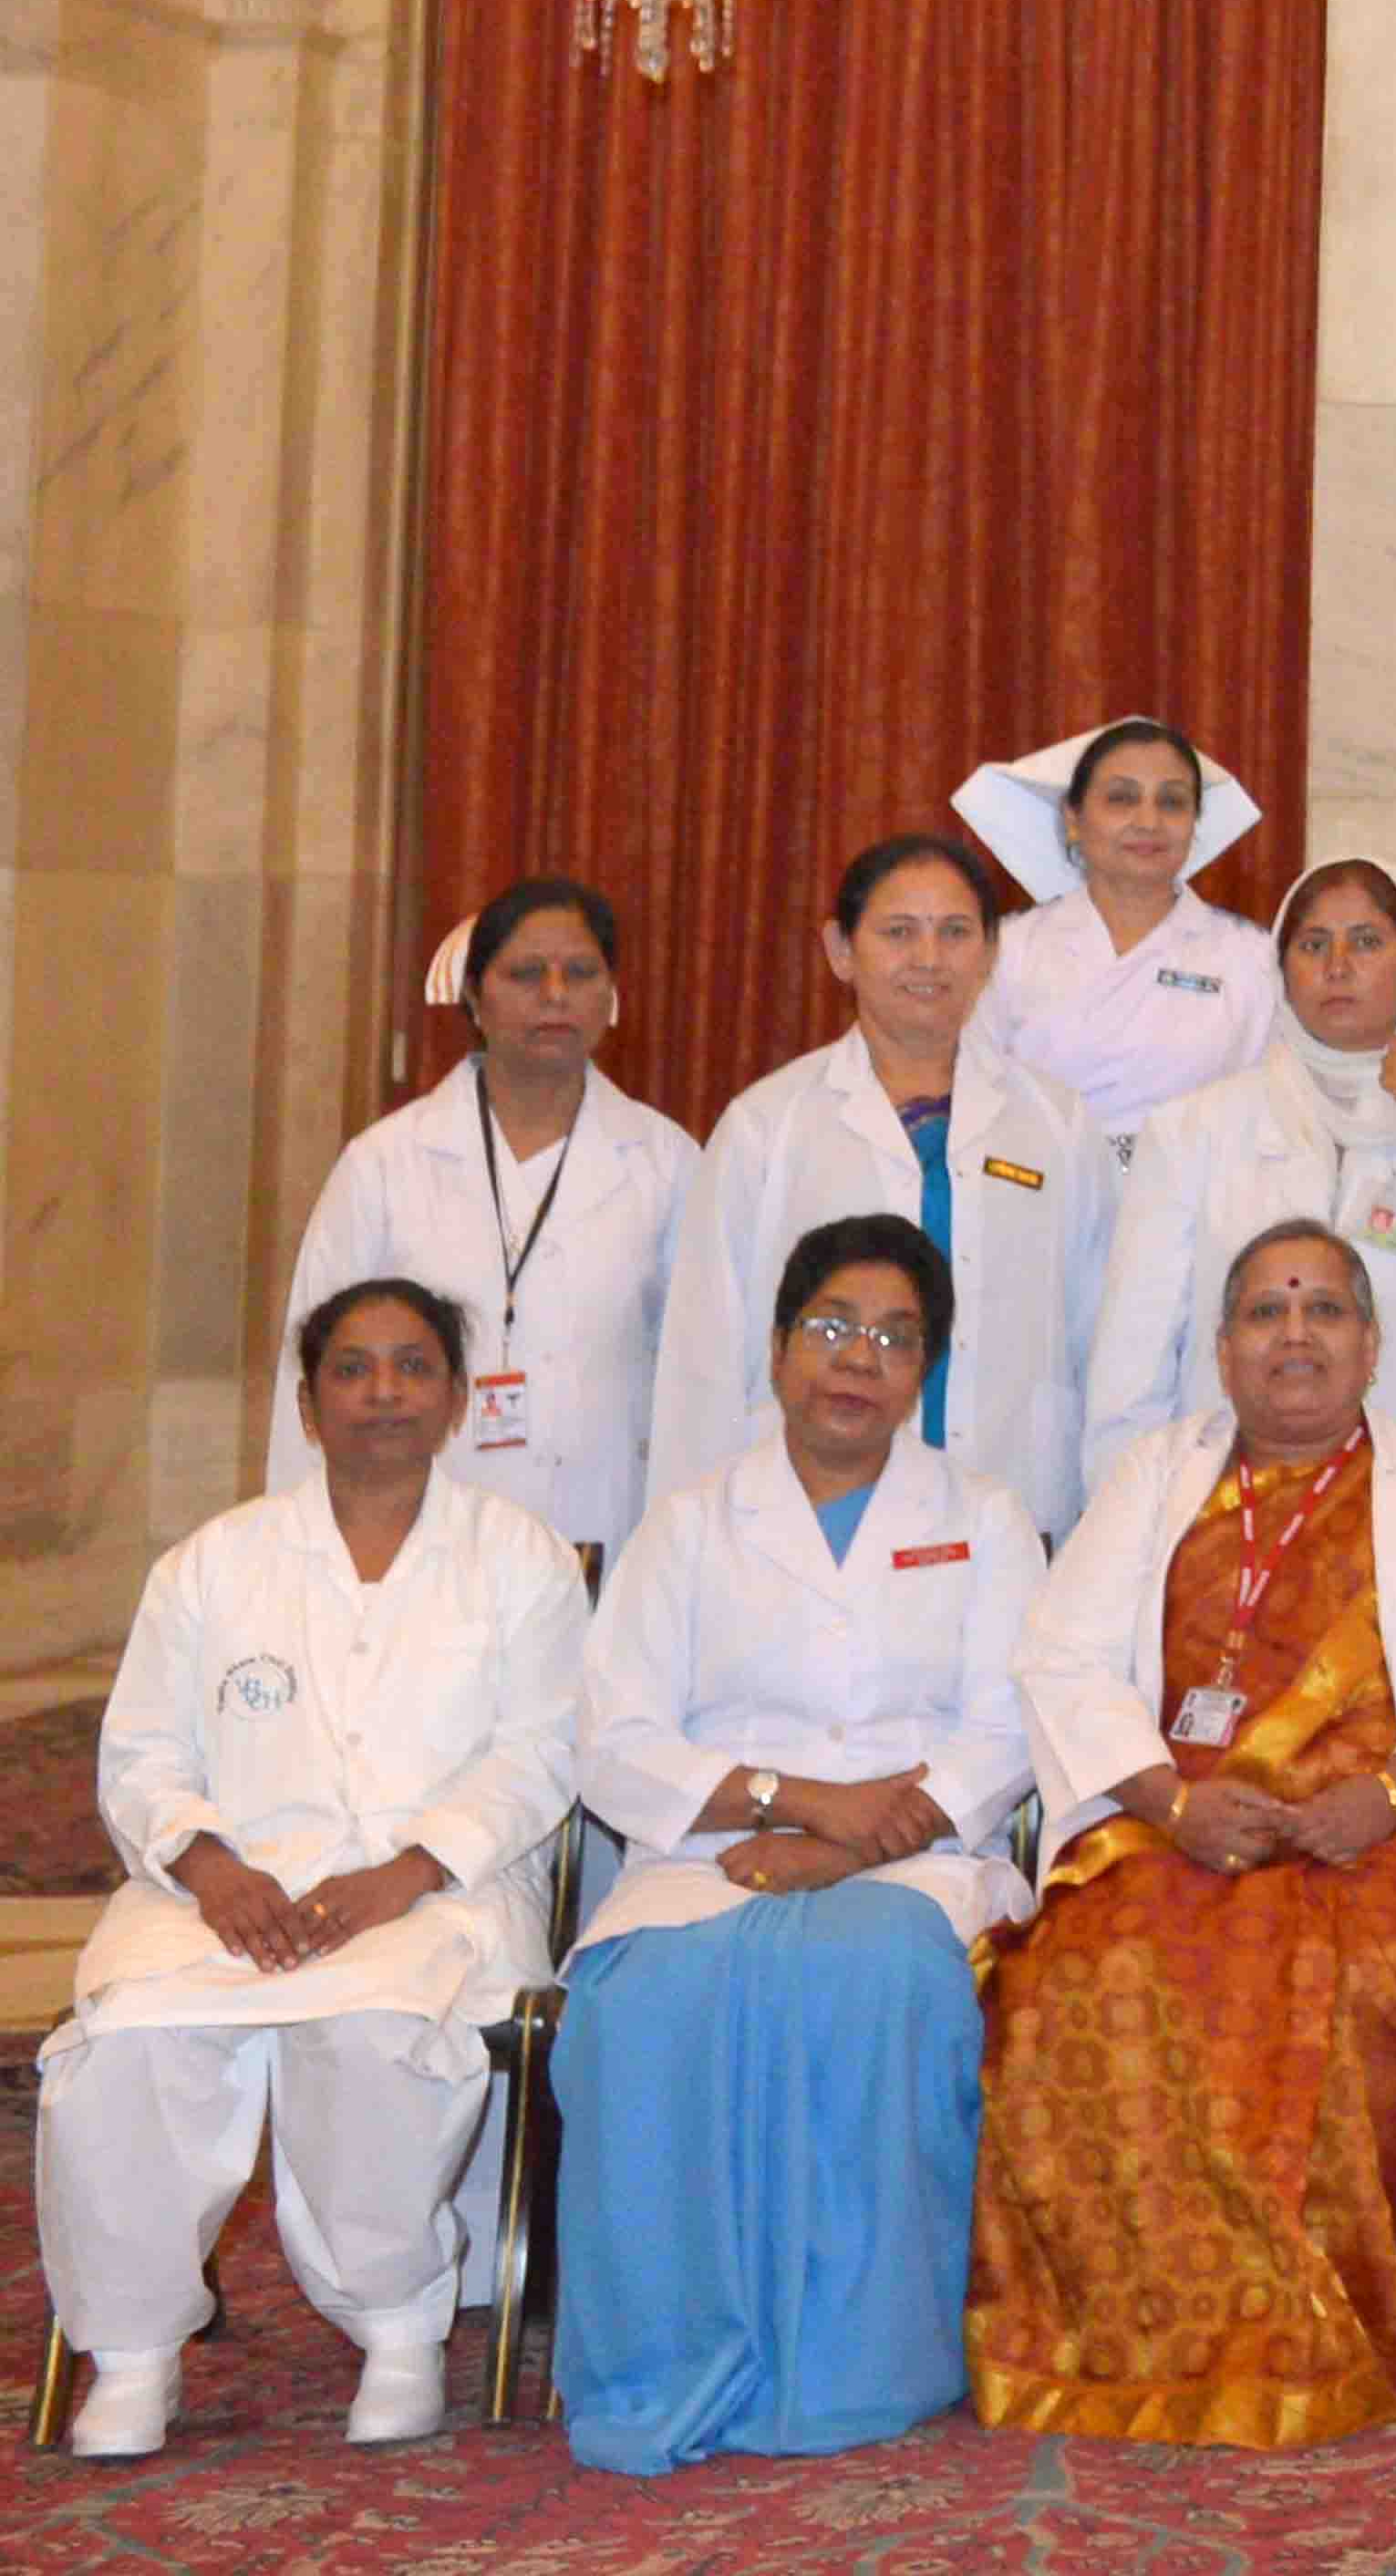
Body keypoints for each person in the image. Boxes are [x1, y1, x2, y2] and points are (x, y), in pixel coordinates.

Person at [972, 1221, 1396, 2446]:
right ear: (1222, 1352)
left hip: (1383, 1833)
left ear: (1373, 1345)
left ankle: (1333, 2326)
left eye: (1324, 1310)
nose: (1296, 1335)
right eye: (1267, 1314)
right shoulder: (1153, 1476)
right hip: (1174, 1827)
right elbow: (1059, 1656)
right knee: (1082, 1970)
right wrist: (1169, 1803)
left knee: (1364, 1972)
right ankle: (1139, 2339)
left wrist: (1385, 1800)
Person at [40, 1278, 587, 2459]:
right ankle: (133, 2353)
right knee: (125, 2033)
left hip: (437, 1889)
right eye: (352, 1368)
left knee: (376, 2023)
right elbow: (138, 1751)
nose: (382, 1392)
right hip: (228, 1889)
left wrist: (410, 1870)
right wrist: (208, 1865)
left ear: (453, 1398)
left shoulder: (521, 1560)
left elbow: (542, 1752)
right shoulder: (212, 1563)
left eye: (410, 1367)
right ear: (307, 1399)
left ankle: (397, 2330)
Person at [559, 1215, 1039, 2472]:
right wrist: (790, 1800)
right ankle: (662, 2355)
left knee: (872, 1977)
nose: (858, 1358)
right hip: (710, 1845)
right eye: (831, 1326)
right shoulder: (690, 1522)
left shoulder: (984, 1517)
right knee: (639, 2004)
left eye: (895, 1337)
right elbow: (612, 1738)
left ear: (923, 1369)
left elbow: (1009, 1727)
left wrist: (853, 1844)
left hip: (916, 1856)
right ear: (776, 1352)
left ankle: (856, 2364)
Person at [654, 833, 1102, 1536]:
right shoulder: (767, 1126)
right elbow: (702, 1360)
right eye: (899, 932)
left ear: (989, 955)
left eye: (955, 933)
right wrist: (687, 1540)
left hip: (1011, 1504)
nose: (928, 959)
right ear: (840, 950)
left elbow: (1094, 1336)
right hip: (805, 1515)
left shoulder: (1058, 1125)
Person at [1084, 857, 1396, 1455]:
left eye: (1367, 942)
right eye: (1314, 944)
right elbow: (1132, 1359)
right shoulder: (1195, 1129)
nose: (1338, 966)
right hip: (1236, 1501)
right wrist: (1138, 1515)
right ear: (1281, 972)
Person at [274, 874, 699, 1561]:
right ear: (475, 995)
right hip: (418, 1528)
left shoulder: (667, 1162)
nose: (555, 995)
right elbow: (316, 1361)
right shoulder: (386, 1162)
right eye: (526, 973)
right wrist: (301, 1553)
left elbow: (697, 1373)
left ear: (610, 995)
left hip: (601, 1528)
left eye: (581, 973)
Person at [965, 718, 1280, 1165]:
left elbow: (1276, 1114)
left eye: (1172, 802)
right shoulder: (1008, 951)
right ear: (1072, 819)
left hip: (1198, 1218)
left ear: (1195, 824)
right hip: (1038, 1206)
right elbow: (970, 1101)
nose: (1148, 821)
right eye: (1122, 798)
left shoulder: (1254, 958)